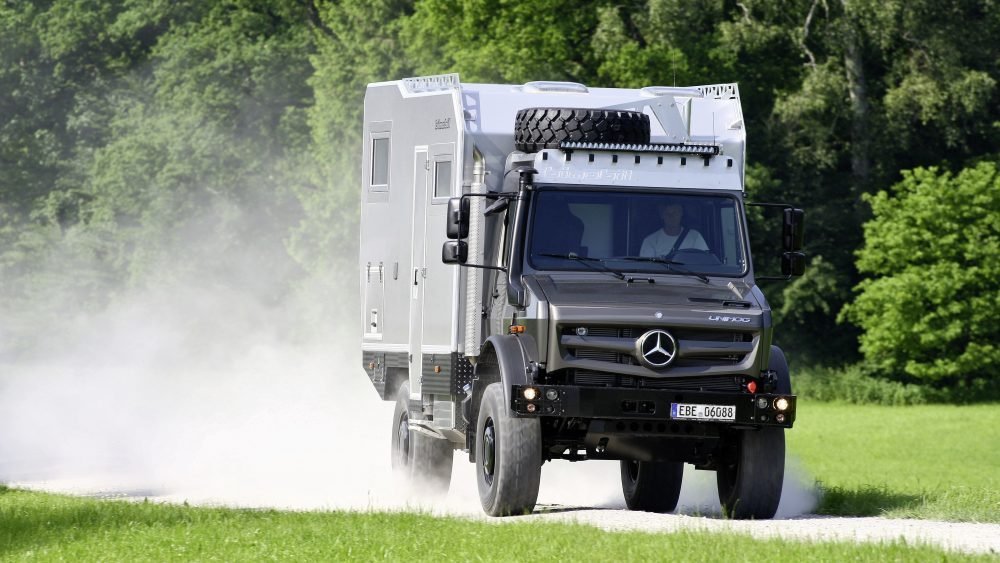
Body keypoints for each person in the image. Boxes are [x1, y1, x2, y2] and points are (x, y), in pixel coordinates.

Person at [640, 200, 709, 257]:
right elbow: (647, 268)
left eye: (675, 213)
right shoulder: (650, 241)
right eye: (668, 214)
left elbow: (704, 263)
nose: (672, 217)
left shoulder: (695, 237)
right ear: (662, 215)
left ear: (681, 213)